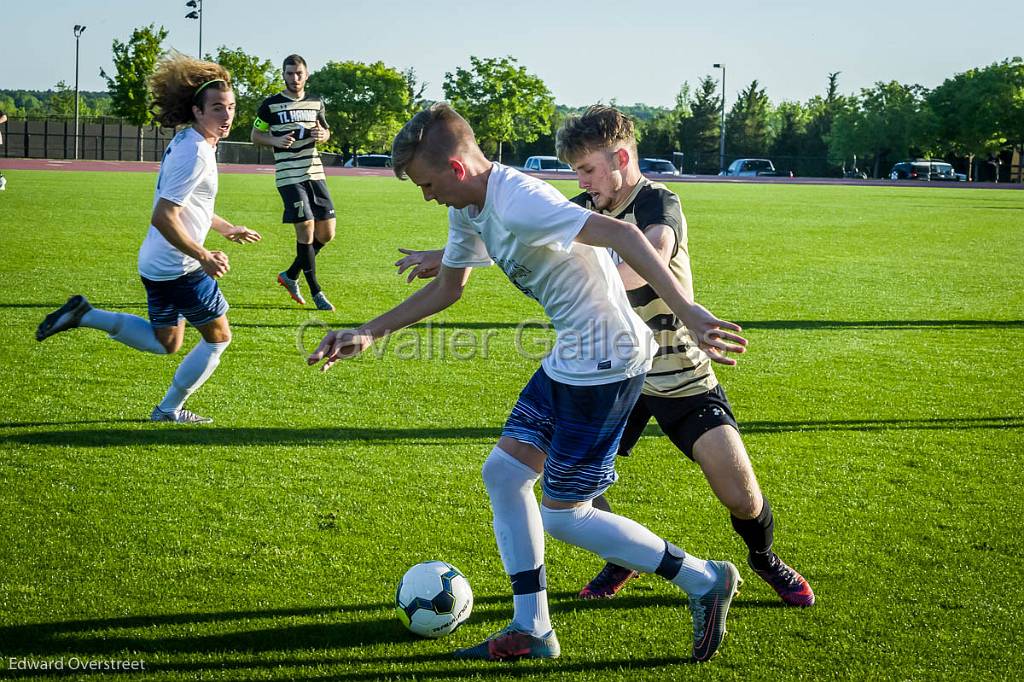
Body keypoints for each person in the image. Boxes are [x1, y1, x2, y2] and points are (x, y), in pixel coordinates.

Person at [308, 103, 748, 662]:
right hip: (573, 355)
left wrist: (689, 312)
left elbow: (625, 236)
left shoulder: (518, 197)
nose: (426, 196)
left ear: (458, 169)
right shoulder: (469, 209)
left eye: (427, 184)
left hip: (609, 360)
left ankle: (704, 579)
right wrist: (368, 332)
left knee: (565, 514)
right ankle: (532, 627)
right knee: (504, 474)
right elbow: (448, 288)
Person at [395, 105, 815, 608]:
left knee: (739, 494)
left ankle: (764, 559)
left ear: (620, 158)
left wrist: (599, 287)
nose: (582, 181)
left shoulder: (657, 203)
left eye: (589, 169)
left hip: (676, 371)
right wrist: (445, 257)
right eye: (575, 172)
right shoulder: (577, 205)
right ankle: (621, 558)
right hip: (613, 370)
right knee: (566, 482)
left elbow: (648, 251)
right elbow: (518, 237)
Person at [35, 54, 261, 423]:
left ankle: (85, 315)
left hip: (156, 262)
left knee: (166, 342)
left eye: (232, 107)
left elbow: (188, 206)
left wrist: (225, 227)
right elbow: (163, 216)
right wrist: (203, 254)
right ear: (197, 111)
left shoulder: (189, 140)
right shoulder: (197, 153)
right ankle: (168, 410)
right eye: (218, 108)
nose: (227, 116)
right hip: (180, 265)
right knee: (219, 338)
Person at [251, 54, 336, 311]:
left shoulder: (316, 103)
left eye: (299, 73)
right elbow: (255, 134)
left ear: (306, 75)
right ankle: (316, 292)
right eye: (290, 73)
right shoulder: (270, 105)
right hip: (289, 176)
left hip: (315, 173)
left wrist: (324, 134)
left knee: (327, 233)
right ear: (283, 75)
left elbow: (326, 130)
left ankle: (290, 275)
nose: (294, 78)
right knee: (307, 229)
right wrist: (274, 141)